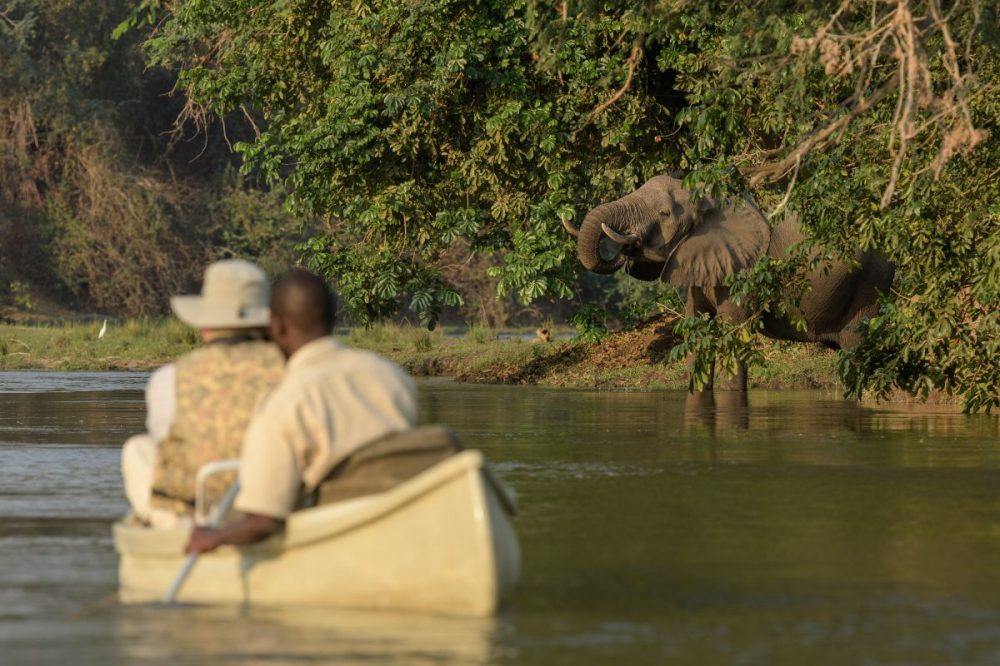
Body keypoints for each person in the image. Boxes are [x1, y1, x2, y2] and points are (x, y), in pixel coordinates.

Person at [186, 269, 417, 553]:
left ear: (277, 327)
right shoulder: (391, 375)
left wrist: (214, 537)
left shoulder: (284, 402)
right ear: (332, 319)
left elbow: (264, 520)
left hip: (334, 530)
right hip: (398, 518)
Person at [120, 259, 284, 528]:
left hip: (198, 512)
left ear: (205, 326)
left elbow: (166, 446)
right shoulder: (295, 371)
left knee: (138, 449)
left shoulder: (169, 379)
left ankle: (174, 529)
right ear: (267, 320)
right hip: (272, 506)